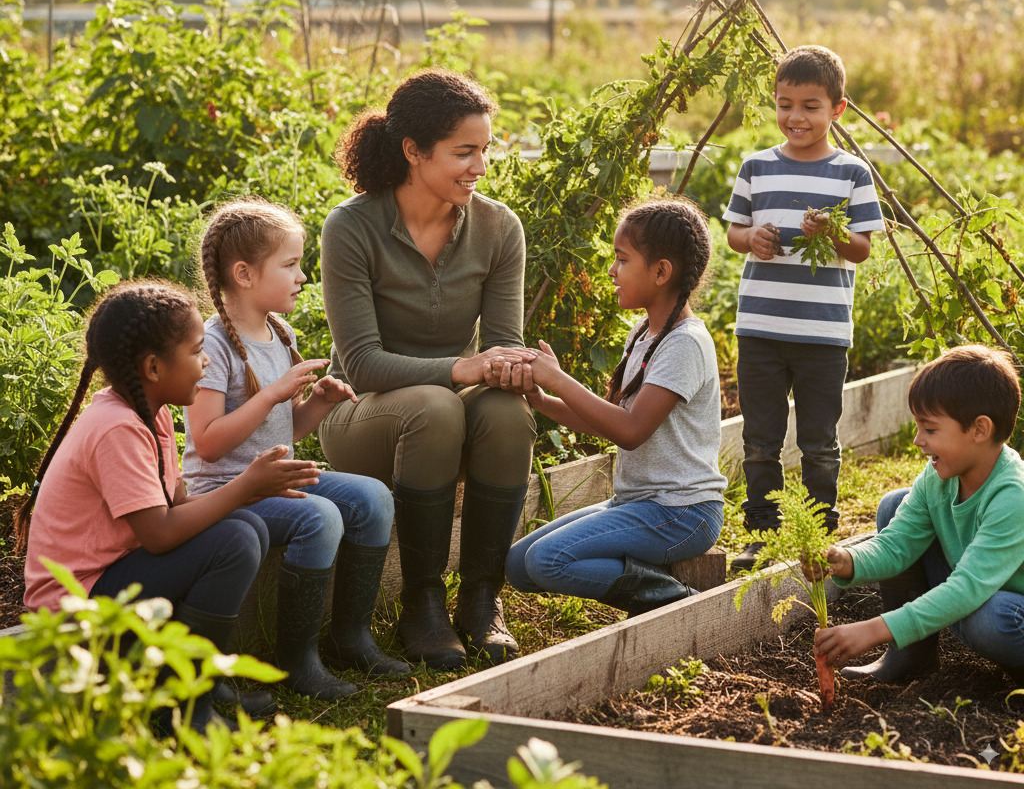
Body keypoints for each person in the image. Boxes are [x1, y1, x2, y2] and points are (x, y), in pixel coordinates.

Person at [17, 280, 321, 730]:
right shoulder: (115, 428)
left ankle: (197, 680)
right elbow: (159, 535)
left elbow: (176, 501)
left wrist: (250, 490)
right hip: (76, 606)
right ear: (154, 367)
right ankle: (181, 707)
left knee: (245, 528)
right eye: (198, 351)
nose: (208, 361)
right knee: (236, 536)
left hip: (115, 577)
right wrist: (245, 487)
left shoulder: (148, 410)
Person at [319, 69, 536, 670]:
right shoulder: (352, 228)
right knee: (440, 404)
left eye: (484, 150)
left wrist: (513, 369)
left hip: (444, 415)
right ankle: (423, 599)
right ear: (413, 151)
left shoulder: (498, 229)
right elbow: (361, 366)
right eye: (463, 152)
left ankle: (481, 597)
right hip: (361, 418)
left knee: (505, 413)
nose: (479, 167)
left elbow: (502, 345)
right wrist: (465, 367)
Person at [183, 198, 407, 700]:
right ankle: (297, 660)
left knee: (374, 498)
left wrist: (318, 404)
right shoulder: (213, 344)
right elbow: (209, 442)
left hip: (277, 477)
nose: (302, 276)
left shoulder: (279, 332)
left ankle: (351, 637)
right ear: (244, 273)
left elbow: (285, 431)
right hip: (228, 488)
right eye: (290, 265)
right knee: (321, 517)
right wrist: (272, 393)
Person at [505, 198, 726, 616]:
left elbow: (629, 430)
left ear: (661, 272)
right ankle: (646, 576)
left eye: (622, 260)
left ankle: (674, 601)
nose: (612, 271)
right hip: (638, 504)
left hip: (682, 514)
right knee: (519, 566)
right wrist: (544, 400)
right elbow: (608, 419)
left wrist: (558, 378)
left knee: (546, 560)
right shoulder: (645, 334)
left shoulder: (685, 344)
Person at [723, 45, 884, 571]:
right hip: (761, 328)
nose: (796, 117)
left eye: (811, 106)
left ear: (837, 109)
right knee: (760, 437)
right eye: (785, 103)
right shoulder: (757, 166)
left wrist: (833, 233)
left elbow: (861, 247)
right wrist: (755, 240)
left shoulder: (852, 174)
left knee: (818, 440)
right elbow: (733, 233)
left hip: (822, 333)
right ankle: (762, 531)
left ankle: (817, 528)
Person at [812, 345, 1024, 684]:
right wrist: (847, 559)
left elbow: (967, 588)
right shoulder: (937, 477)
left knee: (991, 620)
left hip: (1009, 608)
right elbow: (896, 544)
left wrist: (876, 629)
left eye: (930, 429)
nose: (917, 441)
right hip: (977, 594)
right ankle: (912, 655)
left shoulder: (1014, 495)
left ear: (979, 430)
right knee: (895, 505)